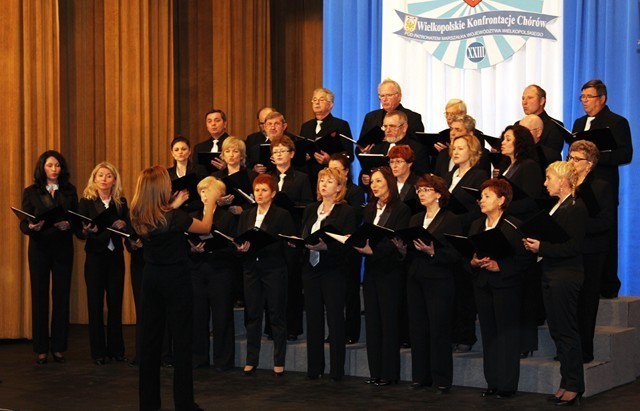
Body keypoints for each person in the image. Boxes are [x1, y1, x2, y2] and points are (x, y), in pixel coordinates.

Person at [130, 166, 214, 411]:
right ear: (161, 189)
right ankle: (184, 403)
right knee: (182, 341)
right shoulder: (175, 218)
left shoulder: (137, 213)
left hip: (151, 278)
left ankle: (148, 404)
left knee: (149, 343)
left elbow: (159, 222)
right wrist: (211, 202)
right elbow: (205, 226)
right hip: (176, 279)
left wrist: (174, 205)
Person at [523, 161, 588, 406]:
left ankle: (574, 385)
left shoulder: (576, 207)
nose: (544, 183)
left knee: (567, 331)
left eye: (548, 178)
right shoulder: (557, 206)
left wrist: (543, 247)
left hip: (566, 275)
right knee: (558, 331)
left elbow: (573, 246)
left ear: (562, 180)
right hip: (552, 273)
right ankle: (567, 382)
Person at [572, 79, 633, 298]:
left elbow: (625, 155)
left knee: (605, 234)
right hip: (579, 185)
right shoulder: (579, 123)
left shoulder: (616, 122)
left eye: (589, 97)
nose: (585, 102)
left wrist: (596, 157)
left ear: (602, 98)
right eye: (582, 97)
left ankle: (607, 284)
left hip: (603, 186)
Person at [402, 174, 462, 393]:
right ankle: (421, 376)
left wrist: (433, 251)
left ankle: (442, 378)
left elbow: (456, 254)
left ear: (438, 194)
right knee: (418, 328)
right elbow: (410, 249)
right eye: (419, 190)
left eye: (426, 190)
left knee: (439, 329)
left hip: (439, 280)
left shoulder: (450, 218)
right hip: (416, 278)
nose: (421, 194)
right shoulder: (415, 218)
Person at [469, 179, 528, 399]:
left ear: (502, 200)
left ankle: (507, 385)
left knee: (507, 336)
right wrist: (473, 263)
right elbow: (469, 255)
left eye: (487, 196)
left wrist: (499, 266)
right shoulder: (476, 225)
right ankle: (492, 382)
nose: (481, 201)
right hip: (483, 285)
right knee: (489, 335)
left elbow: (524, 260)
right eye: (481, 197)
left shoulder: (514, 226)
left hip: (506, 286)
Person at [19, 150, 78, 365]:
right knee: (39, 296)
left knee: (61, 297)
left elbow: (77, 220)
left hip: (63, 248)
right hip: (40, 248)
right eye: (50, 165)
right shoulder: (31, 191)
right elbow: (24, 222)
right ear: (42, 167)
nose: (54, 169)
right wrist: (31, 226)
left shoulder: (69, 190)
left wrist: (69, 224)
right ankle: (41, 349)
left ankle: (59, 347)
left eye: (58, 166)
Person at [354, 166, 410, 386]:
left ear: (389, 182)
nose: (374, 186)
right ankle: (375, 371)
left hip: (390, 272)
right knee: (373, 323)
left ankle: (390, 373)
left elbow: (396, 241)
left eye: (378, 181)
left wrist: (374, 251)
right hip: (372, 271)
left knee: (389, 323)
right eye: (372, 182)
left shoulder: (401, 209)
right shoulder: (369, 208)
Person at [236, 174, 296, 377]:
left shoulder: (282, 215)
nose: (259, 194)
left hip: (274, 268)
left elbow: (288, 243)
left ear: (273, 193)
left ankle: (279, 361)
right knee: (252, 315)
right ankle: (251, 360)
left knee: (276, 315)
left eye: (263, 190)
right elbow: (239, 240)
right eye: (257, 190)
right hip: (251, 269)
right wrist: (241, 247)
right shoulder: (246, 214)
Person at [300, 167, 357, 381]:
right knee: (313, 319)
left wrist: (327, 248)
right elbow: (304, 234)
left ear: (340, 187)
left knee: (334, 319)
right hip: (311, 269)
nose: (324, 184)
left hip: (333, 270)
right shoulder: (310, 209)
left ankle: (336, 370)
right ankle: (314, 368)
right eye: (321, 180)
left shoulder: (346, 212)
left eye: (330, 181)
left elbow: (349, 245)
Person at [77, 161, 130, 365]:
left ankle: (117, 350)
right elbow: (80, 230)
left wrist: (124, 224)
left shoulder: (121, 202)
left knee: (115, 305)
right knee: (95, 305)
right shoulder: (86, 202)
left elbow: (128, 229)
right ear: (94, 179)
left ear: (114, 180)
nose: (104, 179)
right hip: (95, 258)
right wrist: (86, 231)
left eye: (109, 176)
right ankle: (98, 352)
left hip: (115, 256)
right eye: (100, 175)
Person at [567, 141, 615, 363]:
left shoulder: (601, 185)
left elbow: (605, 222)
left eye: (576, 159)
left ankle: (585, 350)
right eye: (570, 157)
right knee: (569, 302)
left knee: (586, 302)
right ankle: (568, 348)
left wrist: (577, 226)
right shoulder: (566, 184)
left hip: (592, 250)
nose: (571, 163)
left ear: (590, 163)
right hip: (570, 249)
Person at [445, 134, 489, 354]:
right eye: (454, 148)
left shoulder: (479, 175)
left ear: (472, 151)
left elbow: (477, 210)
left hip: (465, 236)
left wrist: (453, 220)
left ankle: (465, 335)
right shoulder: (451, 174)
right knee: (451, 287)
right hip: (449, 237)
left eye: (461, 148)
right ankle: (453, 332)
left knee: (464, 289)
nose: (455, 151)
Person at [188, 177, 236, 371]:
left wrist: (215, 247)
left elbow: (233, 247)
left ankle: (223, 361)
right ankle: (198, 358)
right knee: (197, 317)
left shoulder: (228, 217)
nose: (205, 195)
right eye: (202, 191)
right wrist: (193, 249)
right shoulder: (192, 216)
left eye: (210, 191)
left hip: (220, 272)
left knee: (222, 317)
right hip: (197, 271)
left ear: (219, 196)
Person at [269, 135, 314, 340]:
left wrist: (289, 205)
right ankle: (272, 327)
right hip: (270, 235)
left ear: (292, 154)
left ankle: (292, 328)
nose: (278, 155)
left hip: (291, 233)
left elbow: (308, 205)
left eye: (282, 151)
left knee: (292, 282)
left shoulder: (302, 177)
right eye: (275, 152)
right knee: (272, 283)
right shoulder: (267, 178)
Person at [328, 153, 366, 344]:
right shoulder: (326, 195)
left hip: (350, 246)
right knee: (334, 294)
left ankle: (351, 332)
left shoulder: (355, 191)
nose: (333, 173)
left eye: (337, 170)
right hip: (332, 247)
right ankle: (334, 330)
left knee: (350, 292)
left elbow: (357, 216)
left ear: (346, 172)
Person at [359, 110, 429, 188]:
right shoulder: (377, 148)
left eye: (392, 126)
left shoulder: (417, 149)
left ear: (404, 128)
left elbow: (422, 178)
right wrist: (366, 179)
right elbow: (367, 172)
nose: (388, 130)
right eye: (385, 126)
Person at [299, 88, 354, 184]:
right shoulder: (306, 126)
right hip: (309, 178)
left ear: (330, 105)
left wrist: (330, 160)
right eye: (314, 100)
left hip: (332, 179)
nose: (317, 103)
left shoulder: (340, 125)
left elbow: (349, 155)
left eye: (321, 100)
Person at [497, 125, 544, 220]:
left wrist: (501, 206)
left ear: (519, 142)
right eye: (503, 139)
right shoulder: (505, 165)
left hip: (519, 219)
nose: (503, 143)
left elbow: (530, 201)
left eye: (508, 140)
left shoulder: (529, 166)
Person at [358, 79, 424, 143]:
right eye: (382, 96)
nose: (384, 99)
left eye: (389, 95)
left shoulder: (413, 117)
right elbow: (359, 148)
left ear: (399, 96)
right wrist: (364, 149)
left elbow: (418, 146)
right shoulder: (371, 117)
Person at [213, 136, 258, 215]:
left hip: (246, 217)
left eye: (235, 151)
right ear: (223, 155)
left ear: (241, 156)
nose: (231, 155)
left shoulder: (252, 175)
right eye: (227, 151)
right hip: (223, 217)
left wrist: (243, 209)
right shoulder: (216, 176)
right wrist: (219, 202)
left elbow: (259, 200)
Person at [518, 84, 565, 153]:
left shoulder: (555, 126)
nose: (524, 102)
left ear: (542, 101)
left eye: (530, 98)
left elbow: (552, 156)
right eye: (523, 98)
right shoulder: (517, 125)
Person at [168, 136, 207, 212]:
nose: (180, 152)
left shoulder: (199, 169)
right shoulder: (168, 173)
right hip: (176, 211)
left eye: (184, 149)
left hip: (196, 210)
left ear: (189, 151)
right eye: (176, 150)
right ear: (172, 153)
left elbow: (206, 191)